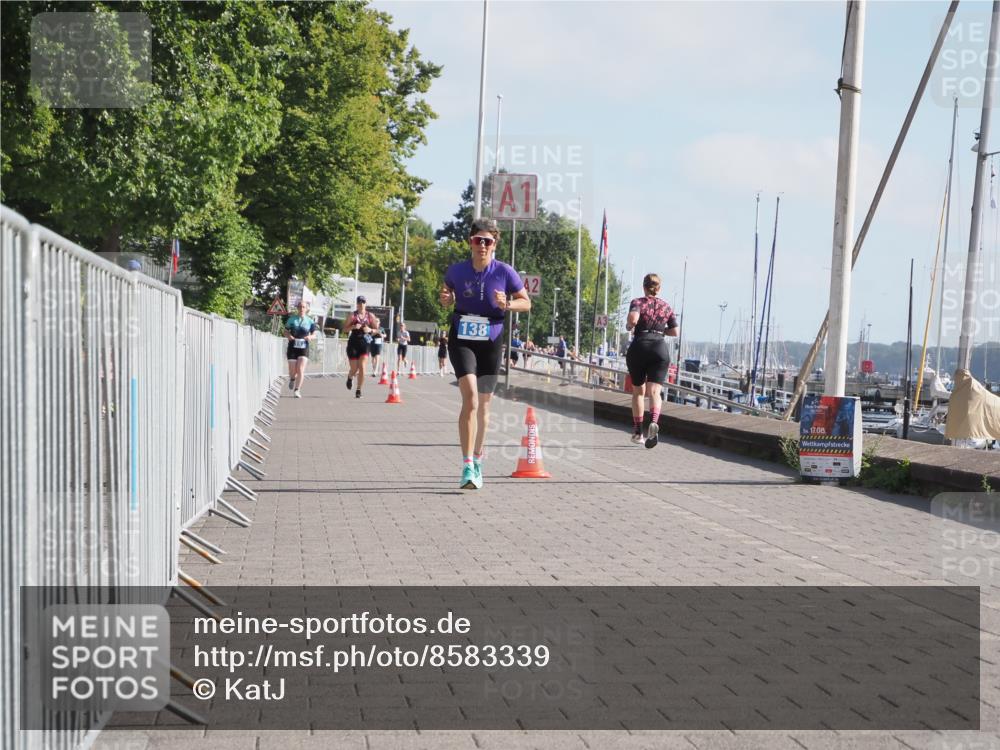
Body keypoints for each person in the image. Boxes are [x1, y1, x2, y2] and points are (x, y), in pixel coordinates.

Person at [439, 217, 531, 489]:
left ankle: (478, 458)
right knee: (470, 399)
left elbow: (527, 303)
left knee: (484, 404)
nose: (482, 245)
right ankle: (467, 465)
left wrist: (509, 304)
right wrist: (447, 299)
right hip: (462, 336)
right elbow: (447, 294)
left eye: (487, 241)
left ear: (494, 245)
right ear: (470, 242)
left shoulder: (505, 272)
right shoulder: (456, 271)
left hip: (491, 339)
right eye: (477, 240)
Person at [625, 273, 679, 447]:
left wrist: (629, 325)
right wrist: (661, 331)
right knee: (655, 392)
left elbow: (633, 319)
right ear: (659, 288)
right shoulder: (666, 306)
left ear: (644, 287)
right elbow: (675, 331)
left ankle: (638, 432)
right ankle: (654, 421)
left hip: (640, 346)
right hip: (659, 348)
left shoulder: (638, 302)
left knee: (639, 392)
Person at [343, 295, 378, 398]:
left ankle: (358, 390)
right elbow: (344, 329)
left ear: (365, 304)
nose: (361, 304)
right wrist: (353, 326)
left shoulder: (370, 316)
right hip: (353, 343)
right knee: (354, 369)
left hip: (365, 342)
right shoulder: (352, 315)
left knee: (362, 367)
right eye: (359, 302)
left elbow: (377, 330)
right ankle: (350, 377)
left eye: (363, 302)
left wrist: (370, 330)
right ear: (357, 304)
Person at [285, 300, 319, 398]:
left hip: (304, 347)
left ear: (307, 309)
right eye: (299, 307)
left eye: (303, 307)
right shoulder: (292, 319)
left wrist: (310, 337)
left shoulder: (310, 321)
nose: (301, 309)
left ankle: (297, 390)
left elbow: (314, 334)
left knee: (300, 369)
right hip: (292, 347)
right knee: (292, 371)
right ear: (297, 308)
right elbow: (285, 331)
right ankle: (292, 379)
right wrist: (289, 336)